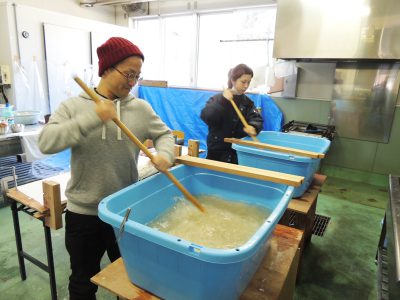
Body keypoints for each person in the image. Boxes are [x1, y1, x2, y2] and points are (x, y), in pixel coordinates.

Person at [38, 37, 174, 300]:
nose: (132, 82)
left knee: (132, 280)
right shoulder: (74, 106)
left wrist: (166, 154)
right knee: (82, 282)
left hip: (125, 211)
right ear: (107, 68)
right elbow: (46, 142)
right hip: (84, 213)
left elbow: (165, 134)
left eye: (137, 76)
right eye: (129, 74)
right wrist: (93, 117)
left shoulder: (140, 108)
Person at [200, 63, 263, 164]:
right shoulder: (217, 99)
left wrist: (253, 127)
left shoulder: (248, 103)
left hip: (237, 153)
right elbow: (207, 116)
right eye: (243, 82)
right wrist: (223, 101)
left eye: (249, 82)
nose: (246, 86)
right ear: (233, 80)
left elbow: (257, 119)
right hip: (217, 153)